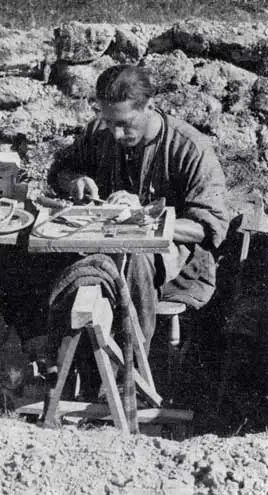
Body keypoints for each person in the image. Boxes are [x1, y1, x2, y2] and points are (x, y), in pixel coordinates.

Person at [48, 64, 230, 355]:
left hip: (174, 257)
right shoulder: (100, 133)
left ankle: (130, 369)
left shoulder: (190, 148)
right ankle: (70, 362)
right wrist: (75, 182)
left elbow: (208, 227)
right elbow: (61, 171)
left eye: (126, 124)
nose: (117, 134)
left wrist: (146, 217)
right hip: (105, 247)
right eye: (109, 122)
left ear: (150, 105)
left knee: (135, 258)